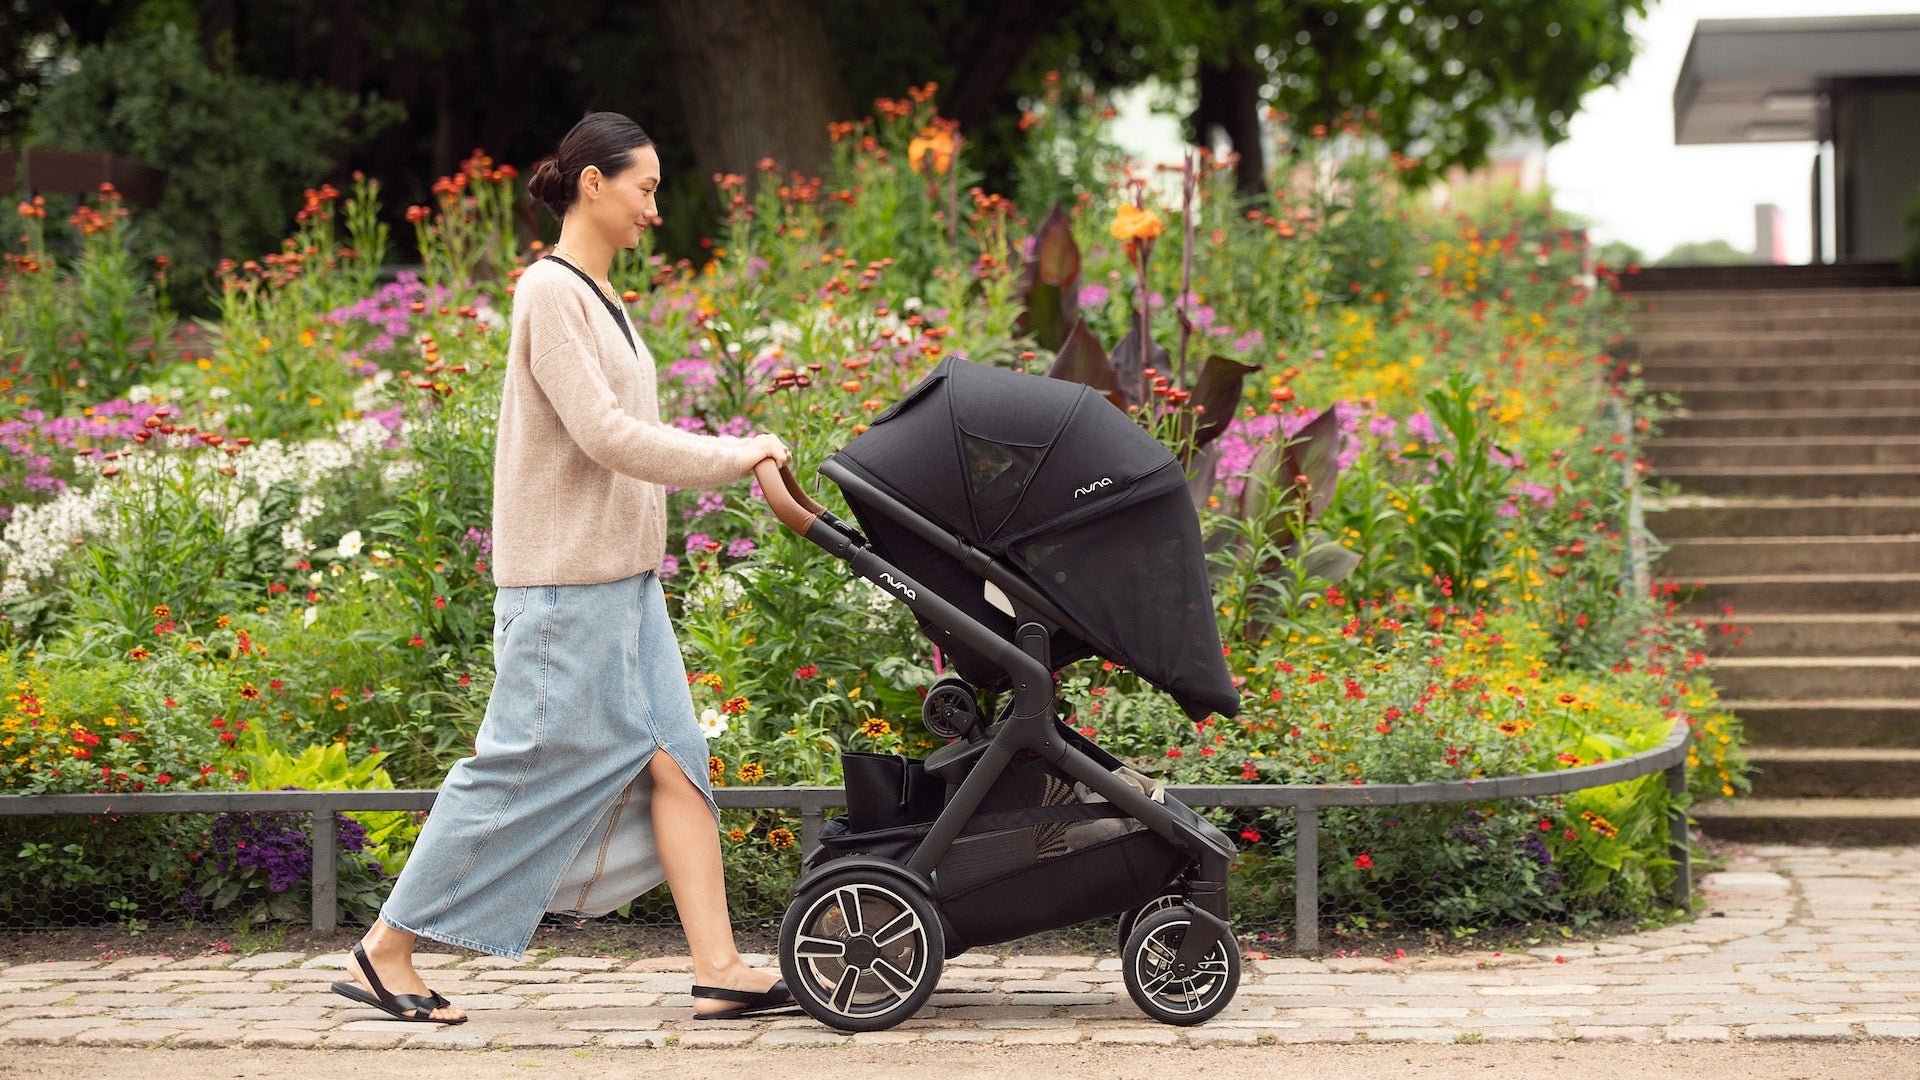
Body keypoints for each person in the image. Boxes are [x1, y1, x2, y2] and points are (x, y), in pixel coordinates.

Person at [330, 111, 792, 1025]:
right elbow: (604, 436)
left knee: (677, 762)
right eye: (645, 188)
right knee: (518, 769)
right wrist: (734, 456)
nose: (654, 210)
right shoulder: (549, 293)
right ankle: (388, 951)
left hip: (626, 586)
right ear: (593, 183)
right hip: (564, 590)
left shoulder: (602, 296)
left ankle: (718, 967)